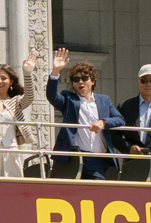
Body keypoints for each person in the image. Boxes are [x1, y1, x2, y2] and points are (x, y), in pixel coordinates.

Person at [43, 47, 126, 180]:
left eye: (84, 78)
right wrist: (55, 72)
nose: (80, 82)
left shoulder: (104, 100)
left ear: (92, 81)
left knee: (96, 193)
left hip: (98, 158)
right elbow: (52, 96)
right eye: (76, 79)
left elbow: (120, 119)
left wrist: (103, 122)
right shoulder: (69, 99)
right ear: (73, 84)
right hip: (74, 158)